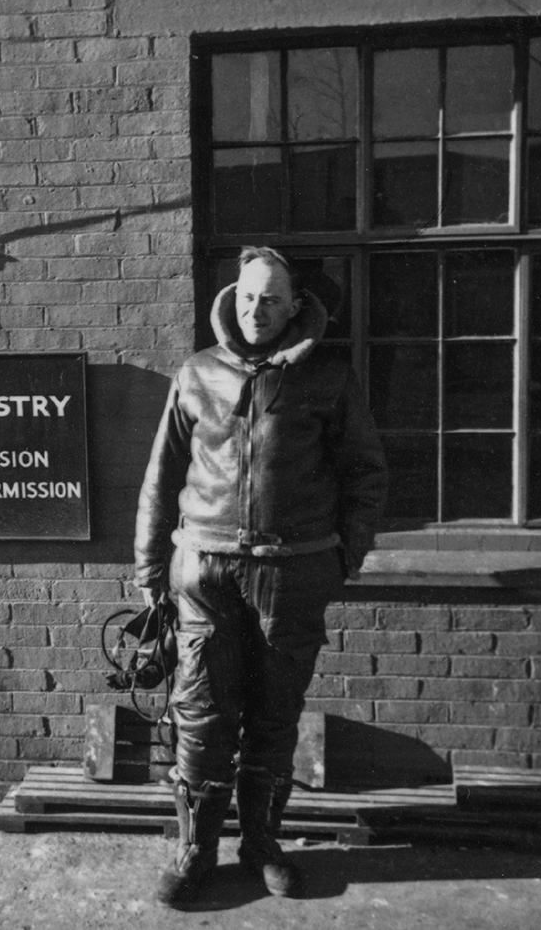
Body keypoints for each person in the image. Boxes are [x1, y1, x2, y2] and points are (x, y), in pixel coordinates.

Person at [134, 246, 388, 908]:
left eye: (271, 299)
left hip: (292, 570)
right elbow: (160, 479)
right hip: (204, 569)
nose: (256, 310)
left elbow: (367, 475)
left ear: (294, 305)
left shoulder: (330, 378)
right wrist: (149, 568)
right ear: (232, 298)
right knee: (199, 712)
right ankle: (196, 849)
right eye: (248, 297)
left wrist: (342, 557)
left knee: (276, 712)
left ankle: (262, 844)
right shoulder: (196, 375)